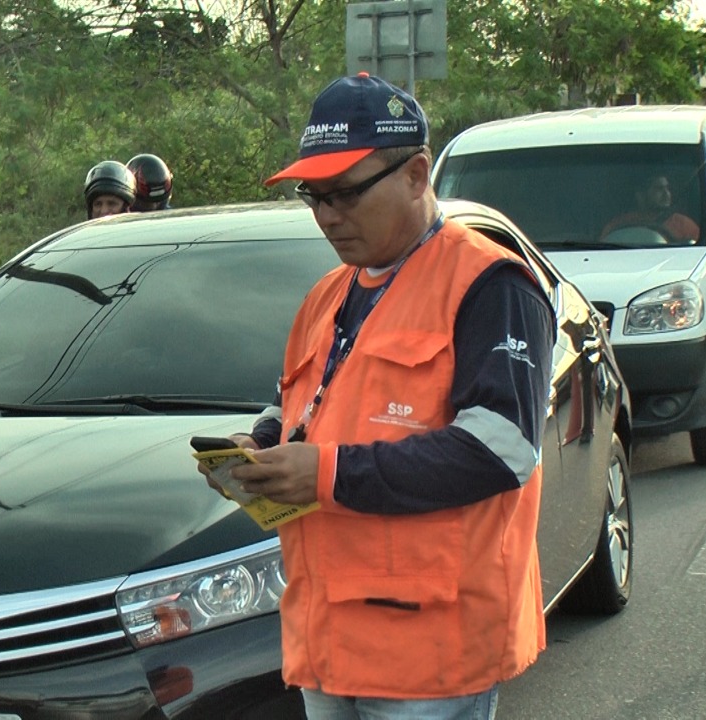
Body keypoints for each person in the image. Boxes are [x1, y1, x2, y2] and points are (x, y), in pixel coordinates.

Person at [207, 72, 555, 718]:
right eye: (314, 196)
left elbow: (503, 450)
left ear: (417, 174)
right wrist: (253, 449)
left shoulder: (491, 285)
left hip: (431, 656)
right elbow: (297, 407)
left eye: (344, 193)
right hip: (327, 639)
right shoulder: (325, 297)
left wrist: (328, 474)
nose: (327, 216)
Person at [600, 173, 699, 244]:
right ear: (640, 196)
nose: (666, 194)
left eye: (667, 188)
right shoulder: (619, 224)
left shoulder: (683, 225)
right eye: (659, 189)